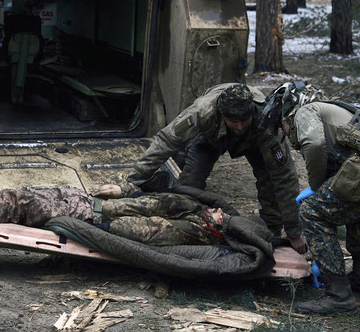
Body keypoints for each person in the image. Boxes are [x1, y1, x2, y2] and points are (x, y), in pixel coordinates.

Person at [261, 81, 360, 315]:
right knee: (354, 205)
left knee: (312, 212)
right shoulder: (338, 112)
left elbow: (315, 143)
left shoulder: (307, 110)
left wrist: (316, 186)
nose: (286, 132)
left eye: (284, 126)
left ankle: (338, 296)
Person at [127, 83, 307, 253]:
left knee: (269, 182)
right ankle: (186, 226)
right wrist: (136, 178)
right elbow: (167, 141)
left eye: (244, 119)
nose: (239, 126)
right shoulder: (203, 111)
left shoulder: (267, 122)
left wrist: (294, 231)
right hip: (211, 137)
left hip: (254, 139)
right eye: (233, 121)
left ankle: (270, 232)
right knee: (191, 182)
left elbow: (284, 178)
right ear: (222, 114)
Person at [0, 185, 229, 247]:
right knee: (21, 193)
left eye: (221, 216)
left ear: (218, 229)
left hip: (90, 214)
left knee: (21, 204)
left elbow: (143, 231)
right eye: (219, 209)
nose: (218, 211)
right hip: (90, 200)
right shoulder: (192, 206)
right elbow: (149, 196)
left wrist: (101, 227)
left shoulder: (191, 230)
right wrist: (121, 188)